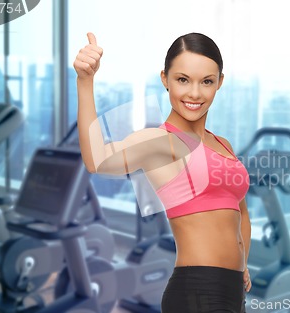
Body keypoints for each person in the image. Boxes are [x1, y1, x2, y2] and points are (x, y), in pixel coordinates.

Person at [74, 32, 251, 313]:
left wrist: (244, 265)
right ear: (164, 79)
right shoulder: (160, 142)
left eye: (206, 81)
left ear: (220, 82)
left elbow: (239, 210)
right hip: (197, 289)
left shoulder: (222, 144)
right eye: (183, 80)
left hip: (233, 288)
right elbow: (97, 160)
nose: (195, 93)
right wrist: (85, 82)